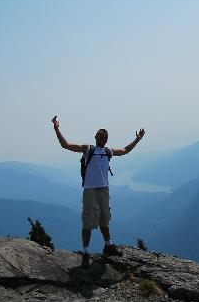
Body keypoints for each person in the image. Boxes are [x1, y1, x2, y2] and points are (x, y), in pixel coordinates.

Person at [51, 115, 145, 268]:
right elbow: (66, 145)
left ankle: (108, 246)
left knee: (104, 219)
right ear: (95, 137)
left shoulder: (108, 151)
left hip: (104, 190)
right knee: (88, 222)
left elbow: (126, 150)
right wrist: (56, 128)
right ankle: (86, 253)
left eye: (105, 137)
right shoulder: (88, 149)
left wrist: (138, 139)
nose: (103, 138)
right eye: (101, 136)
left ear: (107, 139)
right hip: (90, 190)